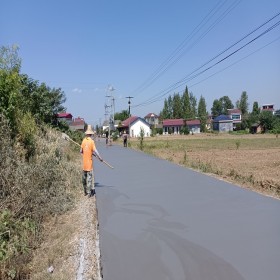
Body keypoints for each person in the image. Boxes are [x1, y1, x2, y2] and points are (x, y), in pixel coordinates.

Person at [80, 125, 103, 197]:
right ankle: (89, 193)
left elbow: (81, 151)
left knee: (84, 179)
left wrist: (86, 152)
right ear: (91, 134)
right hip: (89, 164)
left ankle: (85, 192)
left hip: (84, 164)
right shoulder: (92, 142)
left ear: (86, 133)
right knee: (89, 179)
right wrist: (100, 157)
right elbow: (95, 151)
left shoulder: (83, 141)